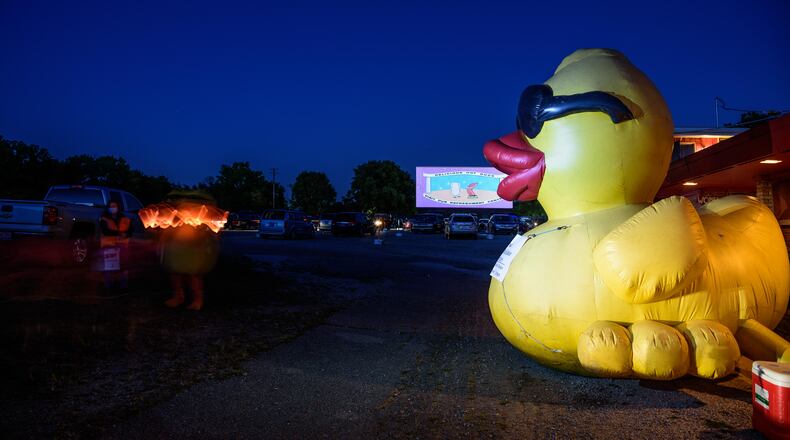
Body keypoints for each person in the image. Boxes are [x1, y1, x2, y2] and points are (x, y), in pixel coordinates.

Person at [99, 200, 131, 291]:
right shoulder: (104, 218)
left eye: (114, 206)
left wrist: (126, 234)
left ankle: (124, 286)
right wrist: (119, 233)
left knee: (124, 267)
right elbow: (105, 231)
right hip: (109, 246)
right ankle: (108, 287)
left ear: (118, 207)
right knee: (109, 267)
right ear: (108, 208)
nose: (113, 208)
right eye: (111, 206)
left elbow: (129, 231)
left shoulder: (124, 218)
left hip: (122, 246)